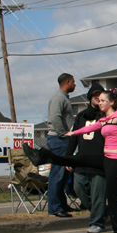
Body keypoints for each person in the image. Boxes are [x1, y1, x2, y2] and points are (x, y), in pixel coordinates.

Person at [24, 90, 117, 233]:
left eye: (103, 100)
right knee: (78, 158)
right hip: (105, 157)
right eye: (99, 100)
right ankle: (42, 156)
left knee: (111, 195)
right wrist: (73, 134)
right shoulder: (103, 120)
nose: (100, 103)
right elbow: (88, 128)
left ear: (111, 102)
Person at [65, 82, 107, 233]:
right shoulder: (81, 116)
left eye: (100, 96)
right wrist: (68, 157)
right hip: (82, 159)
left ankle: (97, 222)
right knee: (79, 188)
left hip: (100, 161)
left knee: (98, 194)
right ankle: (102, 211)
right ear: (90, 97)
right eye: (95, 95)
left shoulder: (107, 115)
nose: (97, 98)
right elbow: (73, 138)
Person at [46, 73, 76, 218]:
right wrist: (63, 133)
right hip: (58, 140)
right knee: (57, 174)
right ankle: (54, 208)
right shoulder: (58, 97)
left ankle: (62, 205)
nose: (75, 85)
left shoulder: (64, 97)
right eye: (74, 83)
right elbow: (55, 117)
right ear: (67, 82)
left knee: (64, 175)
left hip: (63, 140)